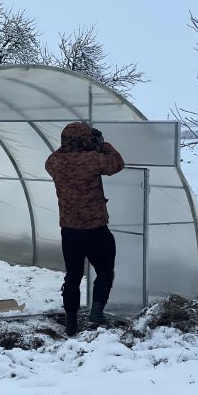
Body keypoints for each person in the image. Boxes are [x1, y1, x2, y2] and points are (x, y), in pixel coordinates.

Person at [45, 122, 124, 336]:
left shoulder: (54, 162)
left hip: (69, 230)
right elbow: (117, 164)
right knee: (105, 272)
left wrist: (79, 143)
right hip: (96, 229)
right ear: (85, 139)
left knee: (73, 275)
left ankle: (71, 322)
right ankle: (96, 315)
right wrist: (102, 144)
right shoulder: (92, 159)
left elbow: (58, 155)